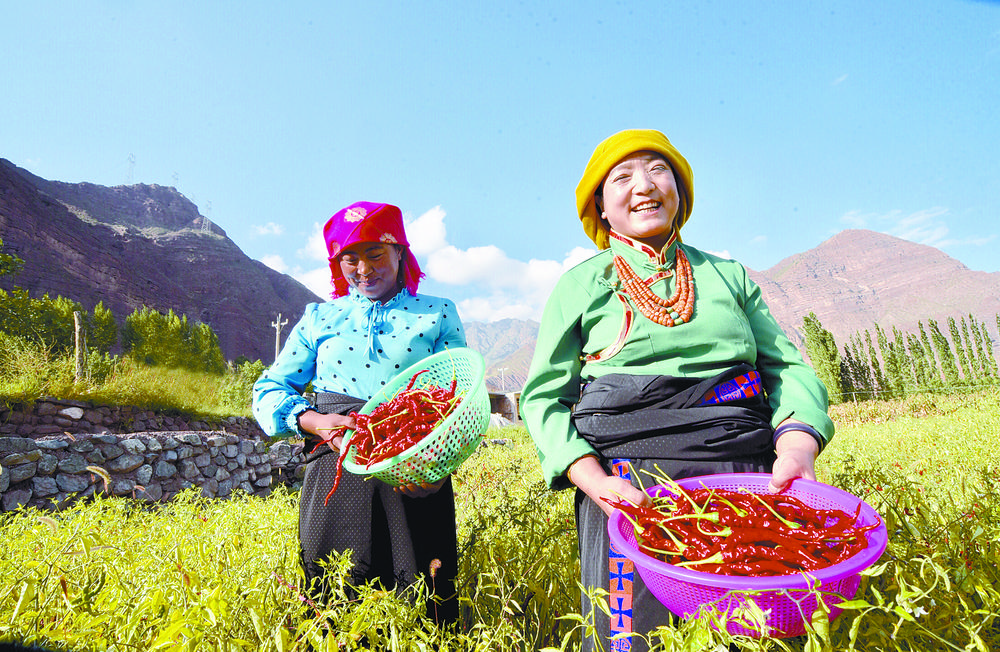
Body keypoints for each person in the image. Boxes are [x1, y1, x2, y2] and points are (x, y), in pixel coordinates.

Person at [519, 129, 834, 651]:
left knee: (754, 627)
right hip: (628, 486)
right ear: (600, 206)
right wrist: (592, 479)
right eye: (622, 177)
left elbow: (786, 367)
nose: (643, 185)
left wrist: (797, 445)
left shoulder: (727, 275)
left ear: (680, 191)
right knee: (634, 636)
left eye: (657, 170)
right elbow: (543, 397)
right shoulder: (580, 285)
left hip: (741, 467)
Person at [252, 201, 466, 624]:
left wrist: (438, 469)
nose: (363, 269)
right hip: (336, 467)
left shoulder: (437, 312)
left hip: (414, 470)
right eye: (350, 258)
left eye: (375, 254)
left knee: (423, 601)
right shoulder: (320, 317)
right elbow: (269, 388)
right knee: (335, 599)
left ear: (399, 252)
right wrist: (316, 422)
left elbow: (458, 398)